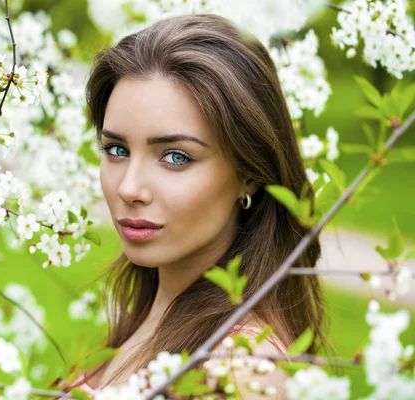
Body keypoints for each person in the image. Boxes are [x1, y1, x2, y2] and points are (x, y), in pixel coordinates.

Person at [61, 12, 329, 399]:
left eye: (175, 157)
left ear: (248, 172)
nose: (129, 188)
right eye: (116, 150)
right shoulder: (153, 314)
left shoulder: (238, 371)